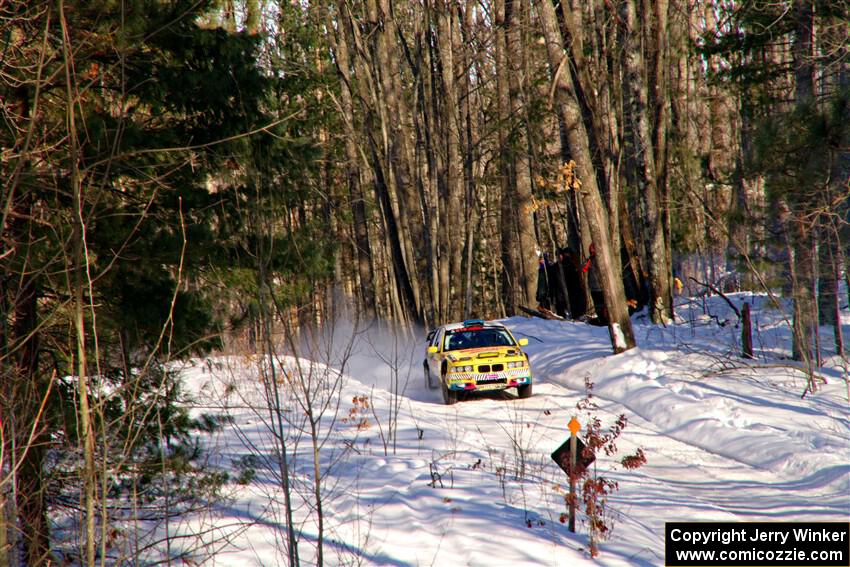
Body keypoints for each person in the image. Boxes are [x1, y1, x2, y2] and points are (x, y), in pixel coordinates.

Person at [583, 243, 608, 325]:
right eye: (591, 249)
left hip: (600, 286)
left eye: (592, 249)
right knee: (598, 305)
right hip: (593, 287)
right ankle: (601, 319)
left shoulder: (600, 259)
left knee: (603, 304)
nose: (591, 250)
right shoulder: (590, 259)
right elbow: (584, 269)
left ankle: (605, 320)